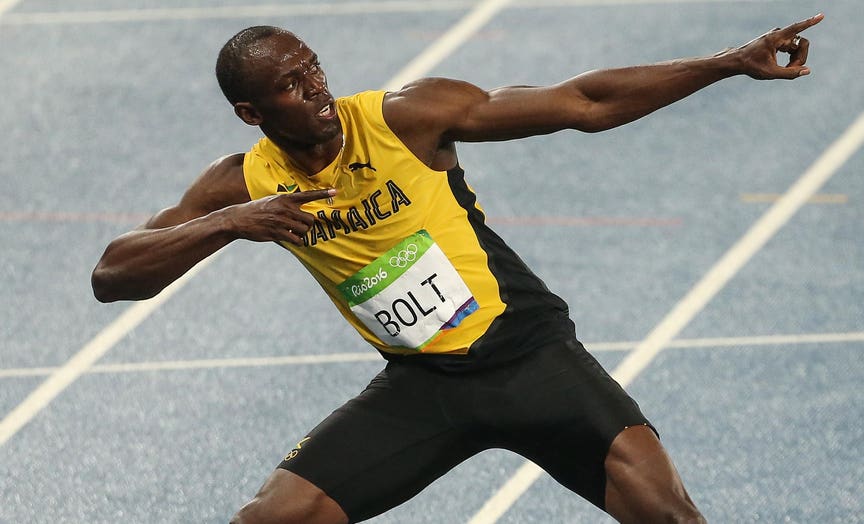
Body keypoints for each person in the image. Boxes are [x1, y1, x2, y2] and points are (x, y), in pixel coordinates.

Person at [92, 13, 823, 524]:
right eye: (290, 83)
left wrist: (726, 63)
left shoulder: (406, 118)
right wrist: (230, 223)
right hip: (423, 387)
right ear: (250, 113)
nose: (315, 87)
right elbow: (112, 275)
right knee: (267, 521)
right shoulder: (242, 183)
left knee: (670, 517)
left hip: (532, 359)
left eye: (313, 67)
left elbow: (582, 102)